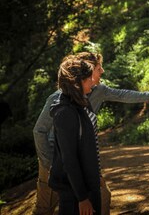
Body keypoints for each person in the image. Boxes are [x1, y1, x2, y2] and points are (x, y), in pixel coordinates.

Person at [32, 52, 149, 215]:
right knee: (45, 208)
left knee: (102, 196)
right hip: (55, 160)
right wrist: (48, 162)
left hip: (82, 161)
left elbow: (122, 94)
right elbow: (39, 131)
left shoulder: (98, 90)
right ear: (88, 70)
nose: (103, 71)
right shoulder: (60, 100)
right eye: (99, 68)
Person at [48, 56, 100, 214]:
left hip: (89, 183)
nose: (93, 81)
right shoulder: (65, 113)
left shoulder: (82, 102)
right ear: (77, 83)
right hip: (74, 192)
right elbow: (69, 159)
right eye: (88, 78)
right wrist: (82, 198)